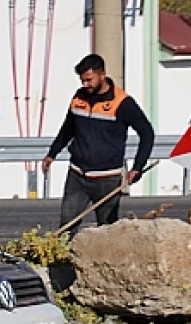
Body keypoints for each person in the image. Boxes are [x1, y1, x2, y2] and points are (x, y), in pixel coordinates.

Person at [41, 54, 154, 237]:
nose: (85, 85)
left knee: (107, 232)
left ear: (102, 74)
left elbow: (147, 133)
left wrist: (138, 167)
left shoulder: (122, 102)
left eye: (89, 80)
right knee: (66, 228)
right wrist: (52, 153)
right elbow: (68, 128)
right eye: (82, 80)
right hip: (78, 176)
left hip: (107, 179)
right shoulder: (79, 98)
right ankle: (63, 265)